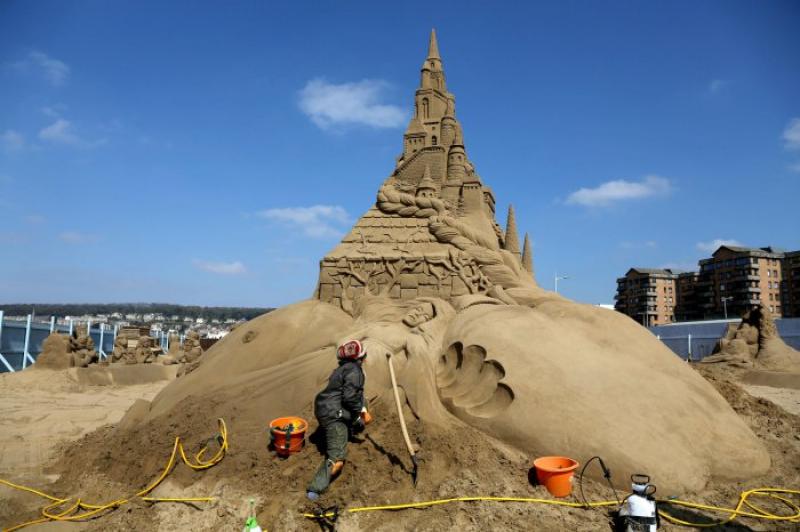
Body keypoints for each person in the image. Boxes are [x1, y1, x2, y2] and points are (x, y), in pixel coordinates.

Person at [307, 340, 372, 500]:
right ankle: (314, 490)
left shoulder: (342, 369)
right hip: (334, 415)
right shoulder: (355, 371)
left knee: (363, 401)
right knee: (337, 460)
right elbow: (349, 397)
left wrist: (361, 409)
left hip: (324, 406)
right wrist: (360, 414)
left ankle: (352, 426)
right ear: (361, 358)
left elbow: (354, 395)